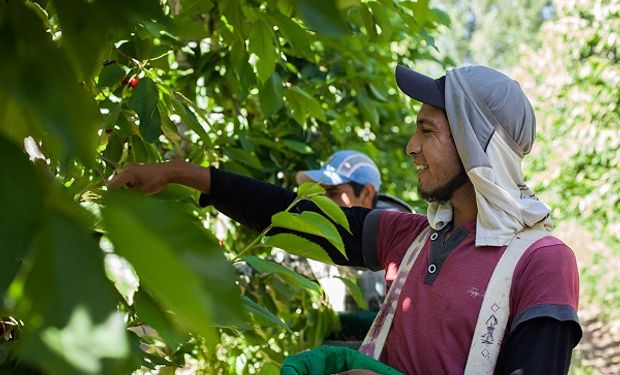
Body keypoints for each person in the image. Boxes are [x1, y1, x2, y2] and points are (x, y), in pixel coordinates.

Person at [109, 64, 582, 374]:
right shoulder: (414, 237)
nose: (411, 147)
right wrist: (181, 174)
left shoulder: (541, 264)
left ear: (478, 148)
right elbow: (298, 217)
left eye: (427, 130)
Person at [296, 149, 411, 313]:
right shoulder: (320, 232)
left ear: (366, 193)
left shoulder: (408, 245)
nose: (323, 202)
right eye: (320, 194)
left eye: (333, 193)